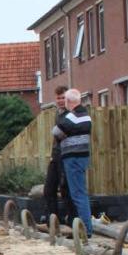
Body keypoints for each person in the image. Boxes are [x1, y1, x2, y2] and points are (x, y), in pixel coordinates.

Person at [53, 89, 93, 235]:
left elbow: (56, 131)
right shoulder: (86, 115)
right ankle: (84, 227)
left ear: (68, 102)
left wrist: (64, 136)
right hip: (83, 156)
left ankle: (85, 230)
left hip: (73, 157)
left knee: (78, 194)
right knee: (80, 192)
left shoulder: (72, 116)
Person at [42, 85, 71, 223]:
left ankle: (71, 220)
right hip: (56, 153)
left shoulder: (71, 114)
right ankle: (52, 219)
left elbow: (64, 134)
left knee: (65, 188)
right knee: (49, 188)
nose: (60, 101)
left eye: (63, 98)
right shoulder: (58, 113)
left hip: (66, 155)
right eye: (58, 98)